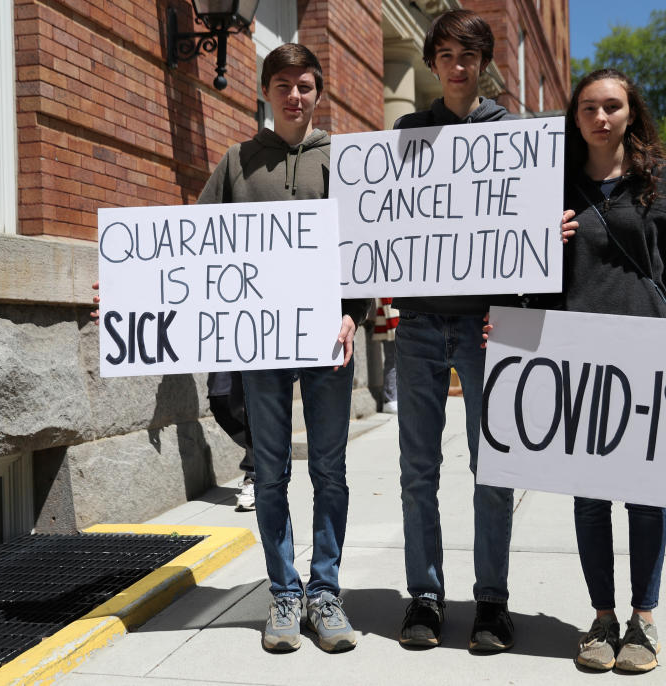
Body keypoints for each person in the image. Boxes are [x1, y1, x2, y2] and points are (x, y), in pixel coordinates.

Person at [485, 67, 666, 672]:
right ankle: (602, 620)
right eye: (588, 108)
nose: (600, 118)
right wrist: (528, 266)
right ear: (573, 116)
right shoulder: (548, 184)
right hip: (574, 357)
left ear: (631, 112)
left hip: (648, 358)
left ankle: (645, 621)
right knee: (588, 500)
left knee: (644, 499)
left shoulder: (664, 181)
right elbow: (521, 276)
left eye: (612, 106)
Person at [392, 9, 577, 652]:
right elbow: (382, 224)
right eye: (445, 54)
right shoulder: (408, 133)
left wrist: (541, 235)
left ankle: (492, 602)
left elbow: (536, 220)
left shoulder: (514, 135)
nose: (457, 65)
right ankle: (424, 597)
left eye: (468, 54)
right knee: (418, 470)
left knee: (492, 466)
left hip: (487, 327)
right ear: (432, 62)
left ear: (483, 61)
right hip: (415, 322)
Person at [195, 43, 371, 654]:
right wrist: (132, 293)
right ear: (266, 92)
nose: (294, 96)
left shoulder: (347, 161)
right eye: (283, 86)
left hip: (328, 337)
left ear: (318, 93)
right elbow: (193, 246)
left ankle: (325, 592)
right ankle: (283, 592)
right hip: (260, 343)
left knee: (330, 470)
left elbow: (368, 247)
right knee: (270, 473)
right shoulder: (236, 162)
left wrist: (355, 314)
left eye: (304, 86)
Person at [206, 371, 257, 511]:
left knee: (252, 402)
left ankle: (255, 474)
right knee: (221, 400)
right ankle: (266, 452)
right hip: (223, 351)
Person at [372, 298, 399, 413]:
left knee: (394, 360)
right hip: (392, 317)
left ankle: (392, 398)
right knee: (392, 360)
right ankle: (390, 398)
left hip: (392, 317)